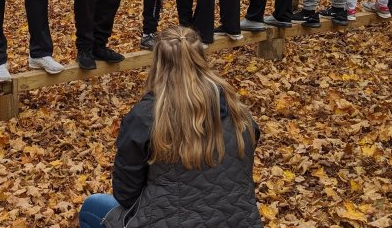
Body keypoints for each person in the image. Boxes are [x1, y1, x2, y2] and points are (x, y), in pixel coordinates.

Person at [78, 26, 262, 228]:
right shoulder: (237, 108)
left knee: (93, 206)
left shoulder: (147, 116)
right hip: (240, 220)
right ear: (200, 57)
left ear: (158, 63)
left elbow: (125, 193)